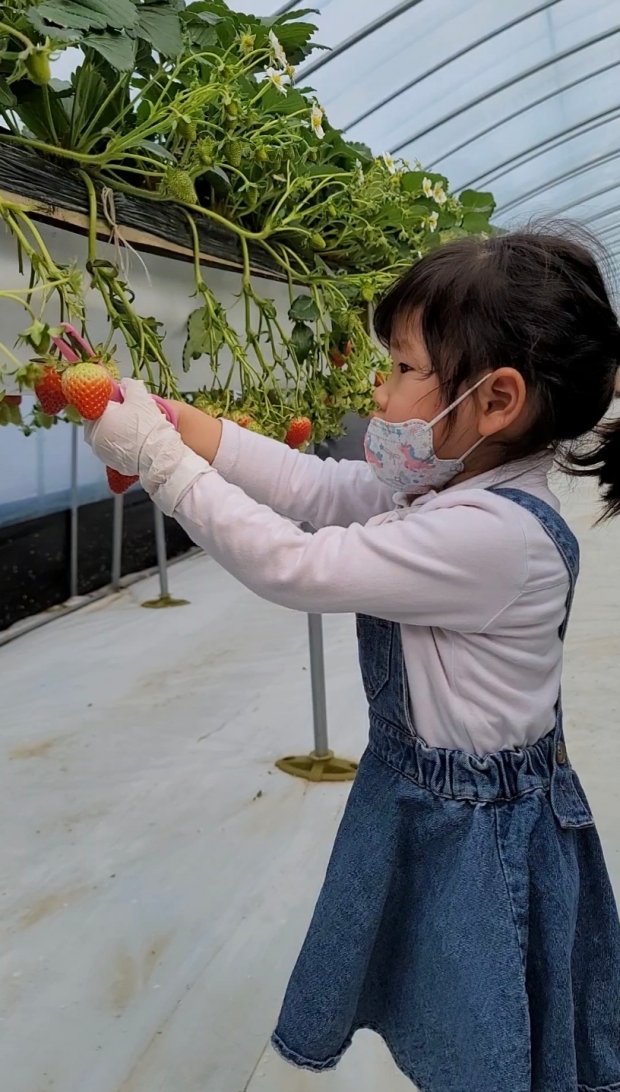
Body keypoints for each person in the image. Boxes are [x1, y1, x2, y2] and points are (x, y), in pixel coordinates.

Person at [85, 228, 620, 1092]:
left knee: (477, 1031)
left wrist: (160, 462)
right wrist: (186, 425)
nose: (379, 385)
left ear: (497, 399)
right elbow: (321, 489)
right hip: (424, 799)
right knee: (439, 1007)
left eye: (404, 367)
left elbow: (296, 566)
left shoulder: (492, 538)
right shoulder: (451, 483)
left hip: (478, 835)